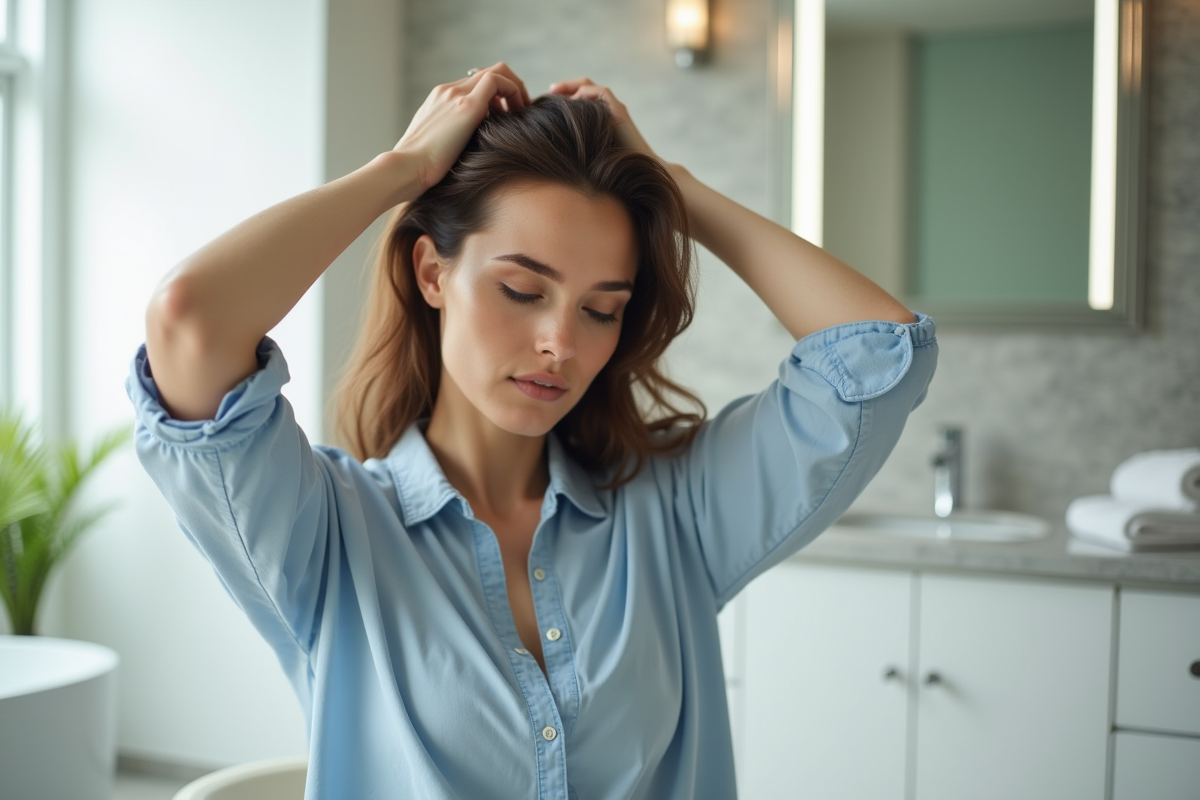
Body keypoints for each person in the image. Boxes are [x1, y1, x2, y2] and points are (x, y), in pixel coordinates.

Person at [128, 63, 936, 799]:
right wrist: (401, 171)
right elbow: (191, 322)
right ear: (432, 272)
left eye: (601, 309)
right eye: (522, 289)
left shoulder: (675, 513)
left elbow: (878, 350)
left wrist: (675, 189)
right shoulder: (330, 536)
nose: (563, 343)